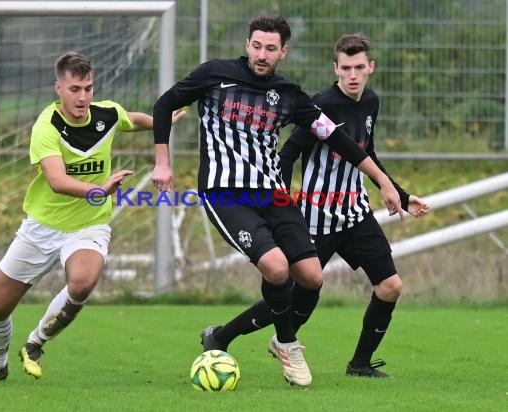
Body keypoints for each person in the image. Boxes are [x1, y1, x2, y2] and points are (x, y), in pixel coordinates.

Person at [152, 17, 405, 387]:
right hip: (226, 192)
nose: (262, 54)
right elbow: (165, 104)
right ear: (248, 44)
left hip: (273, 194)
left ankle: (224, 337)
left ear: (282, 52)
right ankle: (288, 343)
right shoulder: (215, 74)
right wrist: (163, 161)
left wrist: (384, 180)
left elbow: (338, 139)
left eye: (271, 48)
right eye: (257, 45)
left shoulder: (289, 95)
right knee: (276, 268)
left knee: (312, 277)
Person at [199, 33, 430, 378]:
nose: (353, 75)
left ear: (371, 68)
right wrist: (282, 202)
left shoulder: (371, 102)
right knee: (295, 298)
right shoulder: (321, 106)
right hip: (316, 219)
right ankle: (221, 336)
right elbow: (288, 153)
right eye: (346, 68)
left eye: (359, 68)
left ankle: (360, 364)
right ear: (335, 68)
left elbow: (367, 152)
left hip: (354, 215)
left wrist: (400, 192)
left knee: (391, 286)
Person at [0, 51, 185, 384]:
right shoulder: (47, 126)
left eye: (88, 88)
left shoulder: (106, 114)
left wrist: (162, 121)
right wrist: (100, 189)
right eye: (75, 89)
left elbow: (131, 119)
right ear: (59, 89)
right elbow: (57, 181)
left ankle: (35, 343)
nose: (83, 97)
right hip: (41, 227)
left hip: (88, 225)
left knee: (82, 281)